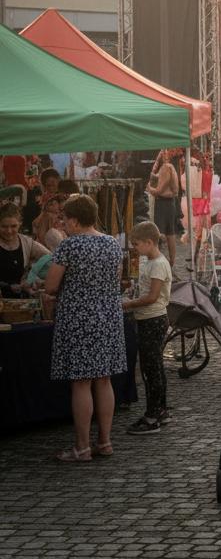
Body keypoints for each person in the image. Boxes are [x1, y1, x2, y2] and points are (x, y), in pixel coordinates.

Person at [43, 194, 125, 462]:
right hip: (108, 317)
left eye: (65, 218)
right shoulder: (112, 244)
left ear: (75, 220)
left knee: (81, 383)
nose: (63, 223)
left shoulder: (70, 246)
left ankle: (82, 447)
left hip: (79, 318)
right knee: (104, 380)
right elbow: (115, 281)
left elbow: (52, 286)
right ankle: (105, 441)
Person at [122, 222, 172, 434]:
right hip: (147, 319)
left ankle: (153, 415)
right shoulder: (148, 261)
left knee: (151, 369)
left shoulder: (159, 264)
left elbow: (152, 297)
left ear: (149, 242)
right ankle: (160, 410)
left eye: (136, 244)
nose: (134, 248)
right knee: (154, 366)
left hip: (153, 319)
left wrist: (128, 304)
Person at [0, 202, 49, 298]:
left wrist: (33, 277)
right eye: (4, 227)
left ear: (20, 224)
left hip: (20, 302)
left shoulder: (26, 242)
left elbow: (51, 257)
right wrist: (8, 287)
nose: (9, 231)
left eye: (13, 226)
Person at [147, 149, 180, 269]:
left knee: (161, 233)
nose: (161, 154)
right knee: (170, 232)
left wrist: (149, 188)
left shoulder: (166, 167)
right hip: (169, 204)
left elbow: (159, 190)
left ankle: (160, 261)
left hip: (164, 204)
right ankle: (170, 262)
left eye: (164, 152)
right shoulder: (170, 167)